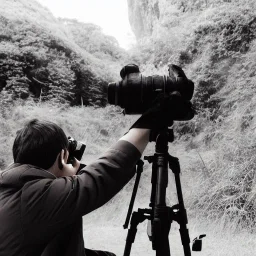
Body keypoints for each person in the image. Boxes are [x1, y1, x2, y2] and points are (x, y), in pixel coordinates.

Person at [0, 66, 194, 256]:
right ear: (62, 157)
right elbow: (99, 178)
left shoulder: (12, 188)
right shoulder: (34, 199)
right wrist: (153, 119)